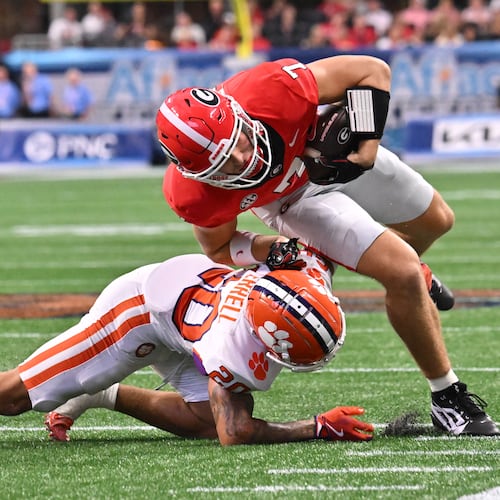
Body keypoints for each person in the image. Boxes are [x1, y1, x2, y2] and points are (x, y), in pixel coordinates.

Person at [155, 55, 499, 436]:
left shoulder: (270, 90)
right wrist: (271, 248)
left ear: (240, 114)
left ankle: (413, 274)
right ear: (196, 174)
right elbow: (221, 249)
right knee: (400, 271)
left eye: (241, 141)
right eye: (226, 166)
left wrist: (366, 145)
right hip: (293, 200)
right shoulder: (194, 195)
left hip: (326, 156)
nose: (244, 158)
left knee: (437, 221)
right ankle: (447, 398)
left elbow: (372, 71)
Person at [0, 250, 374, 446]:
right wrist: (316, 427)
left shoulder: (300, 275)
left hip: (184, 314)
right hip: (136, 313)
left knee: (205, 421)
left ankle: (97, 396)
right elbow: (237, 434)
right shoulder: (229, 349)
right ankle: (82, 389)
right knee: (13, 398)